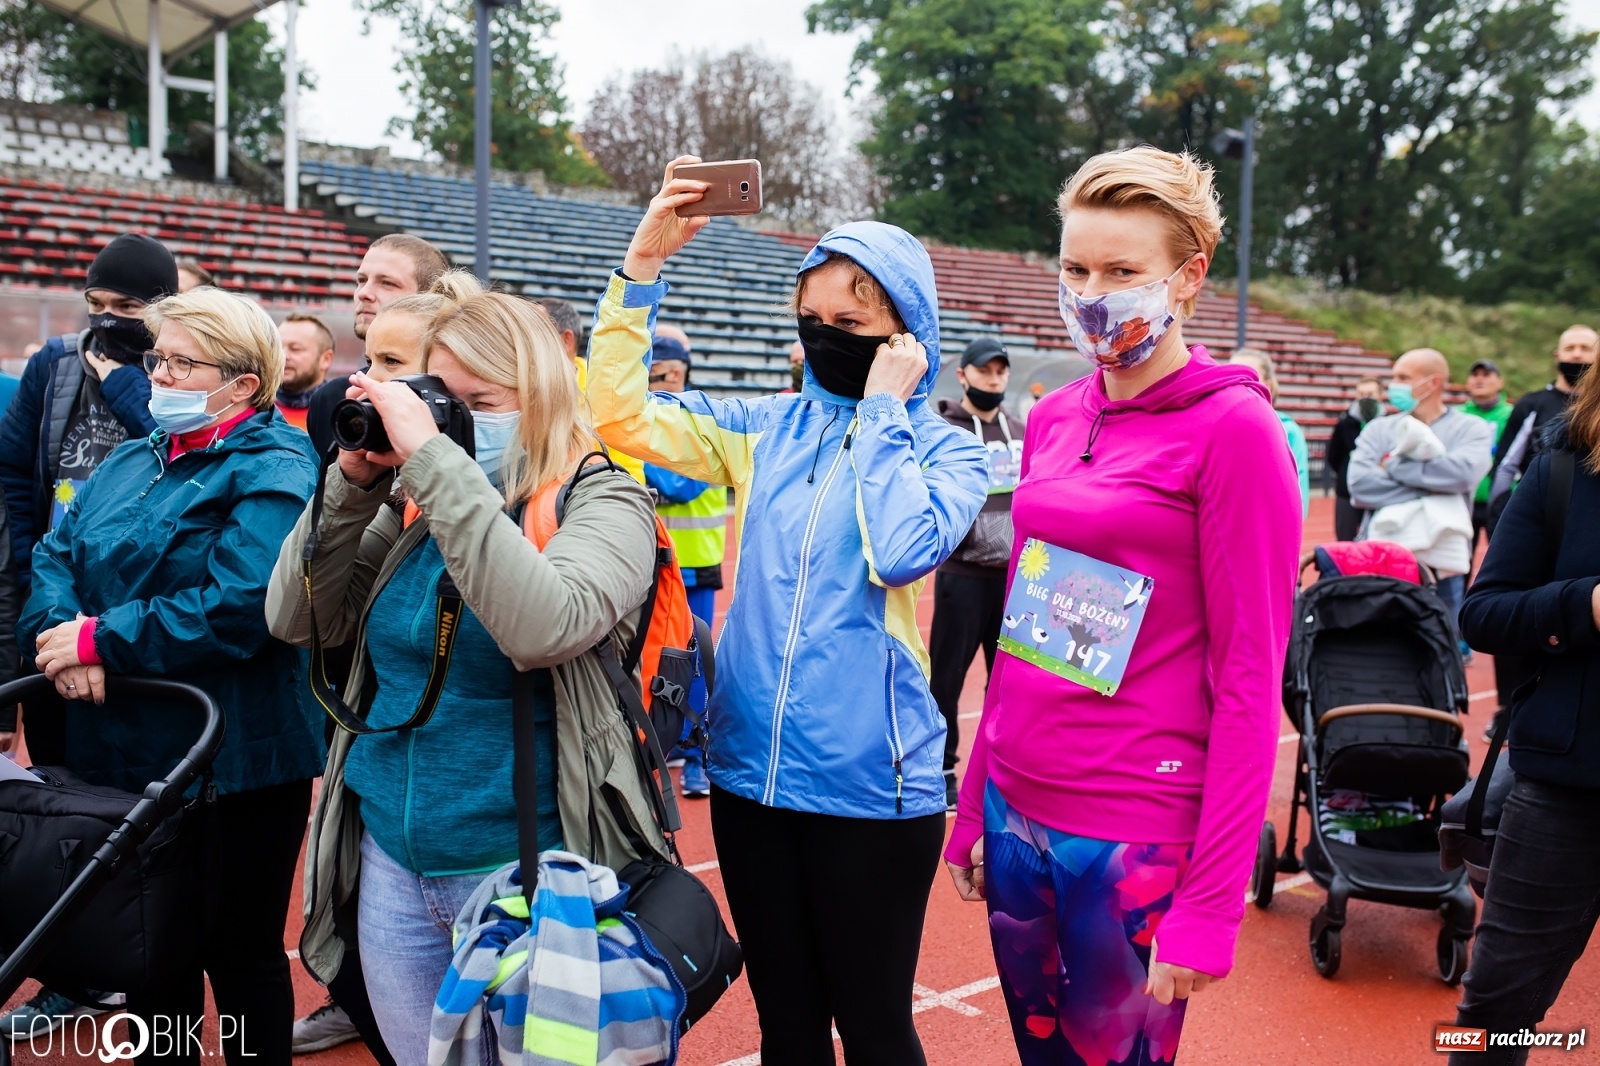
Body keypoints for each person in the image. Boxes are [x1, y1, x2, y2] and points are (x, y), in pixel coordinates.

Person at [586, 158, 989, 1064]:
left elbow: (901, 549)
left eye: (852, 321)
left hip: (874, 792)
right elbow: (614, 413)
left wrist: (884, 413)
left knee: (877, 1028)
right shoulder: (761, 428)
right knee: (787, 1029)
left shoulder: (946, 450)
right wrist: (642, 268)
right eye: (811, 320)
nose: (824, 337)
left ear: (906, 332)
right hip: (751, 782)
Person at [943, 146, 1302, 1066]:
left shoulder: (1237, 431)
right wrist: (979, 805)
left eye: (1121, 272)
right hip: (1020, 808)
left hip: (1130, 834)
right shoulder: (1058, 414)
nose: (1092, 292)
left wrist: (1215, 903)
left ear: (1188, 277)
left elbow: (1252, 679)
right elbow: (1026, 632)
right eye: (1075, 268)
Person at [266, 274, 672, 1066]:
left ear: (542, 397)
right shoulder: (413, 503)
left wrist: (432, 462)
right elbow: (296, 617)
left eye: (474, 402)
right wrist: (351, 483)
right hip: (391, 858)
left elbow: (541, 626)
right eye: (433, 398)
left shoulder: (605, 500)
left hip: (532, 866)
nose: (445, 422)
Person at [19, 286, 324, 1065]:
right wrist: (65, 637)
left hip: (230, 765)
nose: (159, 376)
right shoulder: (136, 454)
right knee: (149, 958)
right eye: (158, 358)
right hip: (118, 751)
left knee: (241, 955)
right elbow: (56, 554)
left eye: (183, 363)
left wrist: (101, 642)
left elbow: (241, 603)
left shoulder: (279, 464)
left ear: (244, 384)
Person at [0, 233, 176, 1040]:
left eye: (129, 311)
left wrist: (131, 386)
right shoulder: (54, 364)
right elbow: (18, 484)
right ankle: (71, 972)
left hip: (137, 628)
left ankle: (143, 957)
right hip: (51, 614)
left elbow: (174, 457)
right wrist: (33, 603)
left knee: (139, 809)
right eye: (97, 306)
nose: (107, 323)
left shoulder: (172, 380)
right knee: (57, 803)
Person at [1451, 362, 1600, 1066]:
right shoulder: (1564, 469)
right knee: (1492, 1014)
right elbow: (1481, 612)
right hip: (1567, 788)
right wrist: (1586, 606)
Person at [1483, 327, 1597, 741]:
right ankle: (1507, 707)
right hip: (1542, 519)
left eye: (1586, 347)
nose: (1577, 354)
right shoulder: (1536, 409)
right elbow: (1507, 464)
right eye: (1571, 347)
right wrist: (1501, 522)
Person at [928, 336, 1024, 809]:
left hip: (1014, 579)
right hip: (962, 574)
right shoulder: (944, 428)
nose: (994, 379)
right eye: (985, 371)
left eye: (1001, 371)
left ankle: (999, 768)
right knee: (946, 678)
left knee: (1008, 681)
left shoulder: (1022, 429)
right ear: (964, 375)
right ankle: (942, 768)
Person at [1348, 348, 1493, 630]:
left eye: (1403, 377)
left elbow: (1463, 475)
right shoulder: (1379, 429)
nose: (1394, 384)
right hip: (1381, 559)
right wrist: (1435, 488)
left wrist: (1392, 467)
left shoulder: (1470, 428)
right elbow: (1360, 484)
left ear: (1433, 382)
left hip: (1443, 567)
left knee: (1440, 654)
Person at [639, 332, 725, 800]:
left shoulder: (701, 419)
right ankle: (672, 739)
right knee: (657, 659)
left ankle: (697, 758)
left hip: (696, 565)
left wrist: (636, 457)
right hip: (655, 563)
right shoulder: (648, 419)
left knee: (694, 663)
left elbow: (681, 485)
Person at [305, 235, 449, 460]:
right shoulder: (330, 399)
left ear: (429, 298)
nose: (363, 292)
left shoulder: (464, 399)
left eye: (387, 283)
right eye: (361, 280)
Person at [1230, 347, 1310, 517]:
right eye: (1229, 374)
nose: (1234, 382)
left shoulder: (1288, 431)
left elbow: (1297, 497)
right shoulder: (1215, 427)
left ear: (1267, 385)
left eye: (1245, 376)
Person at [1459, 358, 1513, 555]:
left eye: (1486, 375)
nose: (1479, 380)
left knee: (1504, 556)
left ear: (1499, 382)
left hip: (1501, 498)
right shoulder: (1457, 415)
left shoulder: (1512, 415)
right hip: (1463, 498)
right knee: (1460, 561)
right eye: (1475, 375)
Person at [1325, 377, 1384, 541]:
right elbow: (1334, 456)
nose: (1365, 398)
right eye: (1361, 393)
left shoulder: (1388, 424)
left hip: (1379, 491)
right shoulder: (1344, 423)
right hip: (1347, 492)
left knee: (1378, 542)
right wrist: (1347, 472)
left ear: (1380, 395)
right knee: (1345, 540)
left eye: (1370, 393)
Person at [276, 312, 336, 431]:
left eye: (295, 349)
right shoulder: (254, 411)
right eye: (278, 347)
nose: (283, 356)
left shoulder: (338, 415)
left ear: (325, 359)